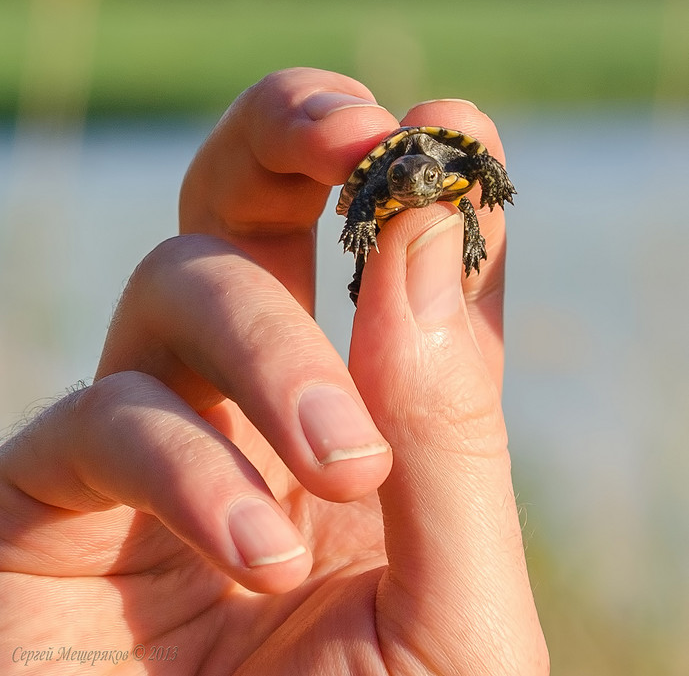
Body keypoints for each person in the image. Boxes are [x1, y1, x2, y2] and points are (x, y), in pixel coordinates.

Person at [0, 68, 548, 674]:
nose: (418, 180)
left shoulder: (445, 166)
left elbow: (469, 165)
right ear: (395, 177)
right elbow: (366, 194)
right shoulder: (388, 180)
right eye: (407, 175)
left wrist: (488, 182)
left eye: (425, 175)